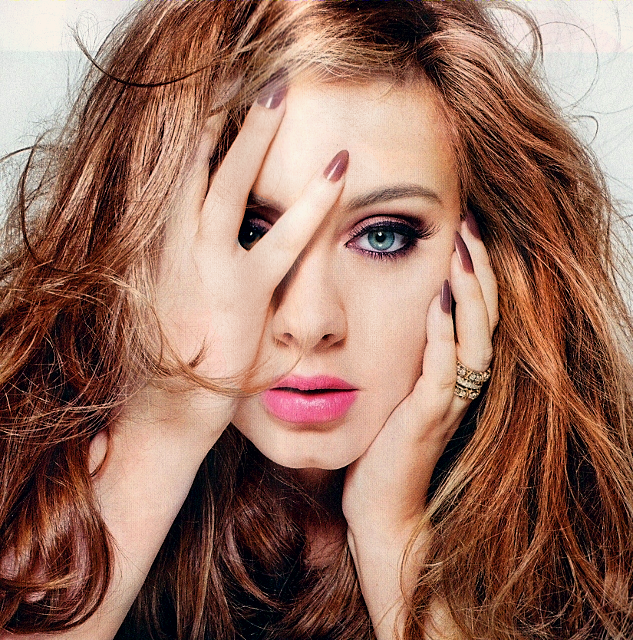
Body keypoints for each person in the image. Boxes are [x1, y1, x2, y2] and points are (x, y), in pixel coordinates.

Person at [1, 1, 632, 638]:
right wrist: (160, 436)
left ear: (486, 249)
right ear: (144, 239)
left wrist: (393, 537)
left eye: (383, 236)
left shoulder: (590, 536)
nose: (309, 323)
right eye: (250, 232)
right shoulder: (16, 460)